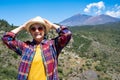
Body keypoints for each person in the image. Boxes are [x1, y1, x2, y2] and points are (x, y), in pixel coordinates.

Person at [1, 16, 72, 80]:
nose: (37, 31)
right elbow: (6, 39)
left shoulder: (52, 45)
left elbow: (67, 34)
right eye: (33, 29)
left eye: (40, 28)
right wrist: (22, 26)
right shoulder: (26, 46)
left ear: (44, 31)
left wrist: (52, 25)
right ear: (31, 32)